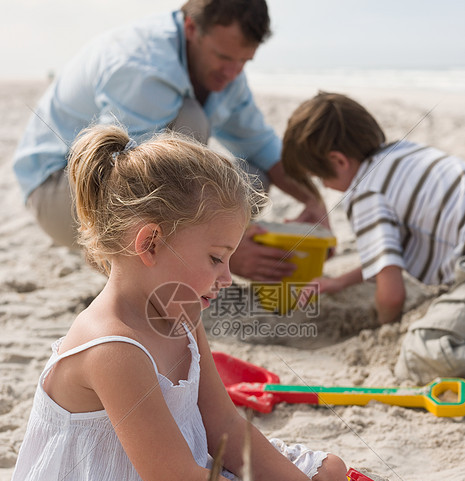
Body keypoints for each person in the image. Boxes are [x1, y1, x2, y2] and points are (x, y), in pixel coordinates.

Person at [0, 125, 396, 481]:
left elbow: (225, 427)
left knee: (328, 476)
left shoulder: (181, 312)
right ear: (149, 242)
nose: (227, 278)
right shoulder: (113, 348)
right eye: (216, 258)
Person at [13, 0, 328, 283]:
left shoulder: (227, 73)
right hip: (62, 190)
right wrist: (223, 251)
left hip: (116, 186)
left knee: (251, 179)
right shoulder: (144, 63)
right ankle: (142, 276)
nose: (232, 73)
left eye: (244, 61)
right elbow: (127, 178)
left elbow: (265, 150)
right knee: (190, 123)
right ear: (191, 28)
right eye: (223, 57)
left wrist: (315, 202)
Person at [282, 91, 465, 384]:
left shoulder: (365, 192)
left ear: (339, 161)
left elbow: (392, 294)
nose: (325, 186)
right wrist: (341, 281)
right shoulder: (403, 153)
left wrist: (387, 330)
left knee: (420, 355)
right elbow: (393, 250)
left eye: (321, 178)